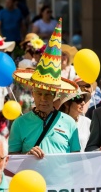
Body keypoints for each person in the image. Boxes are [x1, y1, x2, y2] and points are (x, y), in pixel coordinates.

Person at [9, 19, 81, 157]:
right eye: (39, 93)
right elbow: (11, 159)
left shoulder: (69, 123)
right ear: (32, 94)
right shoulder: (19, 124)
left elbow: (75, 159)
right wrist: (27, 156)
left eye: (48, 94)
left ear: (55, 94)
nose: (43, 99)